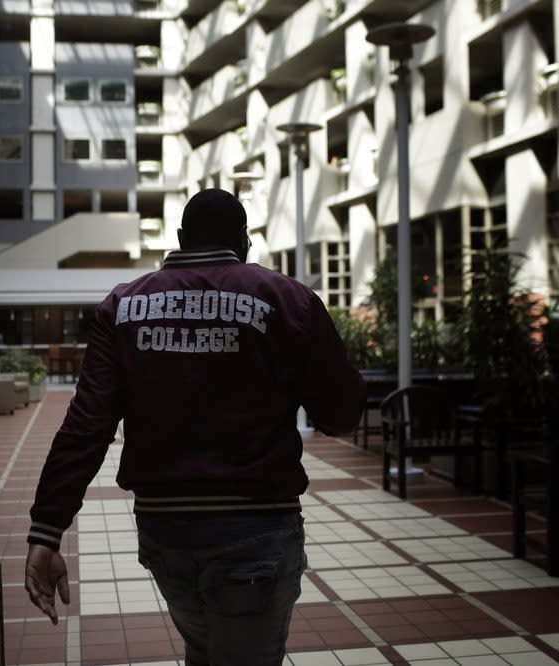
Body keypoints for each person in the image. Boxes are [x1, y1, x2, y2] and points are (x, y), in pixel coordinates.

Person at [25, 188, 365, 665]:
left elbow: (86, 425)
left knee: (204, 651)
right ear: (245, 243)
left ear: (181, 239)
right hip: (257, 529)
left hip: (166, 534)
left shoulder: (122, 307)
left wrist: (47, 529)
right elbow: (342, 415)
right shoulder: (290, 301)